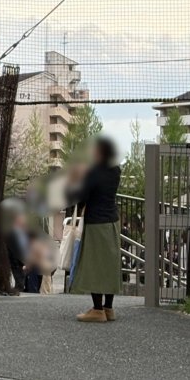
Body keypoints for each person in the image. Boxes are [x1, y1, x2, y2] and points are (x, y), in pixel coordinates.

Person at [68, 137, 122, 322]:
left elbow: (81, 196)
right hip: (112, 222)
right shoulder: (115, 170)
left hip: (96, 223)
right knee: (109, 265)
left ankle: (97, 310)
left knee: (95, 265)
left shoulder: (93, 172)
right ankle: (108, 308)